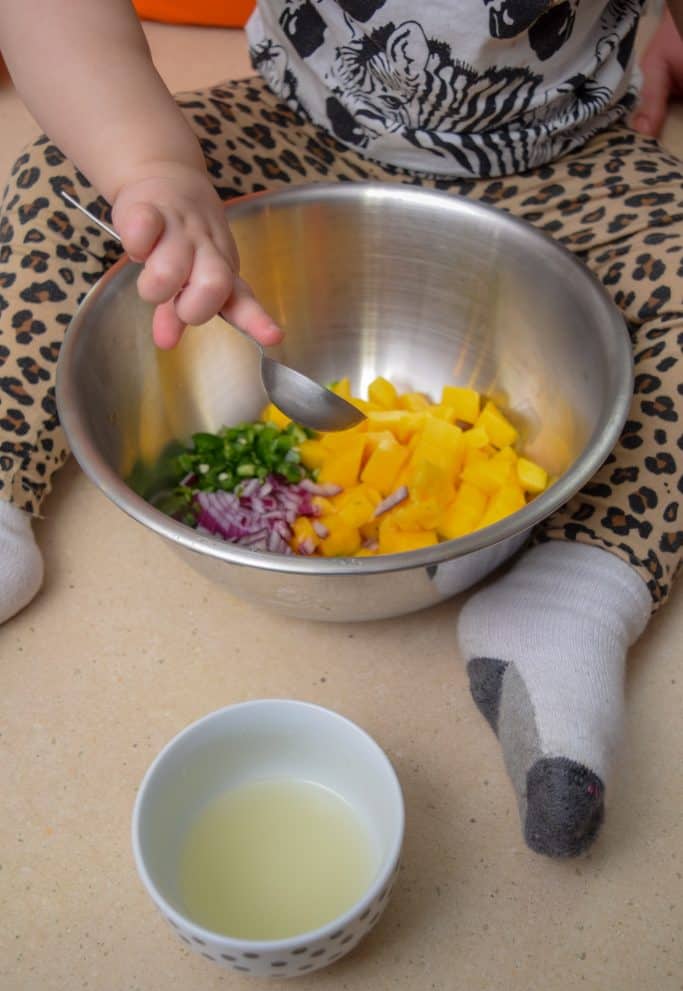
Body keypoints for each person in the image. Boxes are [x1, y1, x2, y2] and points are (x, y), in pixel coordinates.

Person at [0, 1, 680, 857]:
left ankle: (567, 596)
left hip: (571, 154)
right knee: (52, 186)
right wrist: (148, 164)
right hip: (299, 128)